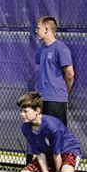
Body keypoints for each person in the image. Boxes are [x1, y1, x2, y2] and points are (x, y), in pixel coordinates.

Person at [16, 92, 85, 172]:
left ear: (37, 111)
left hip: (68, 150)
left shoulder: (53, 126)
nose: (22, 114)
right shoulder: (26, 127)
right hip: (48, 154)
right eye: (21, 111)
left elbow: (57, 155)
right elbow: (40, 155)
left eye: (25, 111)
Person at [26, 16, 75, 164]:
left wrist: (65, 93)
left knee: (58, 136)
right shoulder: (41, 49)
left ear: (47, 29)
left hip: (56, 100)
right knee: (42, 134)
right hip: (42, 100)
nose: (36, 30)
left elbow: (70, 74)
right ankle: (46, 168)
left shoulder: (61, 48)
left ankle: (67, 170)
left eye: (38, 27)